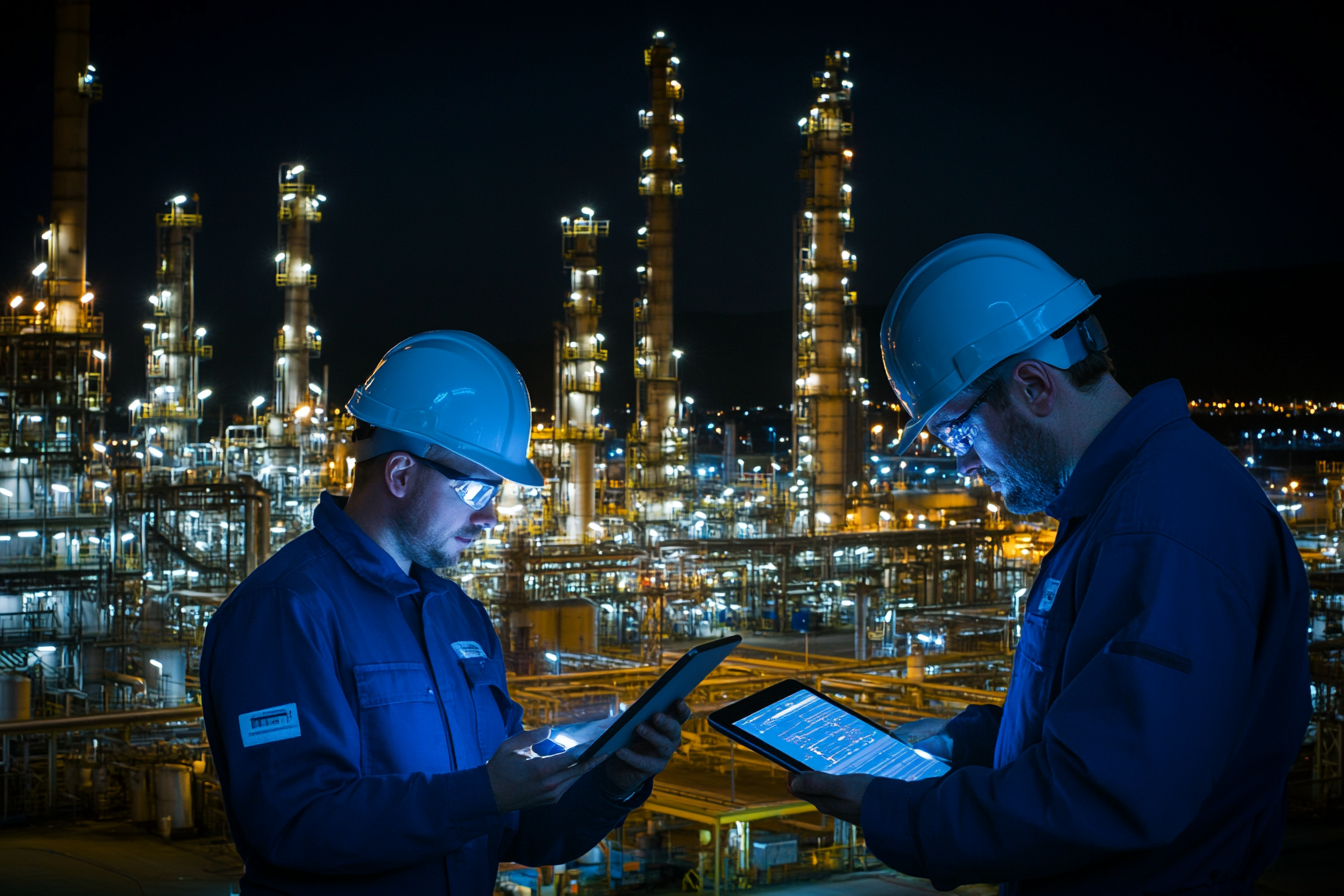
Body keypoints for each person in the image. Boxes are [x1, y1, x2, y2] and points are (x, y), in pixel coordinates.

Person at [788, 235, 1311, 894]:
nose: (963, 464)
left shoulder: (1163, 524)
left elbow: (1109, 794)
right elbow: (1099, 717)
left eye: (958, 431)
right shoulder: (1117, 507)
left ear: (1034, 386)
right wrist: (966, 741)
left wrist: (893, 810)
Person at [201, 331, 689, 895]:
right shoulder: (285, 612)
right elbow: (293, 825)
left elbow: (518, 831)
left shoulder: (460, 620)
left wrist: (615, 781)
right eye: (479, 492)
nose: (490, 519)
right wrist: (484, 793)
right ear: (401, 475)